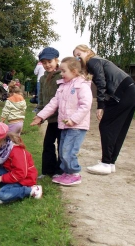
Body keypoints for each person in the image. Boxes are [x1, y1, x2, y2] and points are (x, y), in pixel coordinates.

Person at [73, 44, 135, 175]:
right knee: (119, 128)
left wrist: (101, 106)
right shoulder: (99, 61)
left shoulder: (93, 61)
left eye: (79, 53)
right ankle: (110, 162)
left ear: (87, 51)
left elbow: (101, 82)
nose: (77, 57)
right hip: (132, 91)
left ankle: (106, 163)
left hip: (123, 93)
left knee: (106, 125)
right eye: (75, 56)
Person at [31, 57, 92, 186]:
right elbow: (53, 103)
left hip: (76, 126)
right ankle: (66, 173)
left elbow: (85, 106)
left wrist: (73, 120)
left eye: (64, 71)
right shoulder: (63, 86)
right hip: (64, 125)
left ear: (74, 71)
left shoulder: (82, 86)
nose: (62, 74)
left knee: (68, 151)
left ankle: (74, 174)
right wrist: (40, 116)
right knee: (64, 150)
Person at [0, 121, 42, 204]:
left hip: (24, 180)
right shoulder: (3, 151)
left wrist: (2, 178)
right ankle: (11, 191)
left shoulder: (15, 152)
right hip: (14, 176)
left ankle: (32, 190)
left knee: (2, 195)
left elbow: (21, 173)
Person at [36, 47, 63, 179]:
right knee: (48, 144)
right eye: (44, 62)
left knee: (62, 145)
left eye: (49, 61)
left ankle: (60, 171)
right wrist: (40, 114)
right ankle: (48, 170)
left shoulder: (63, 76)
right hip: (50, 118)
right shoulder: (42, 78)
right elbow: (41, 98)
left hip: (62, 118)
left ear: (56, 60)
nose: (47, 65)